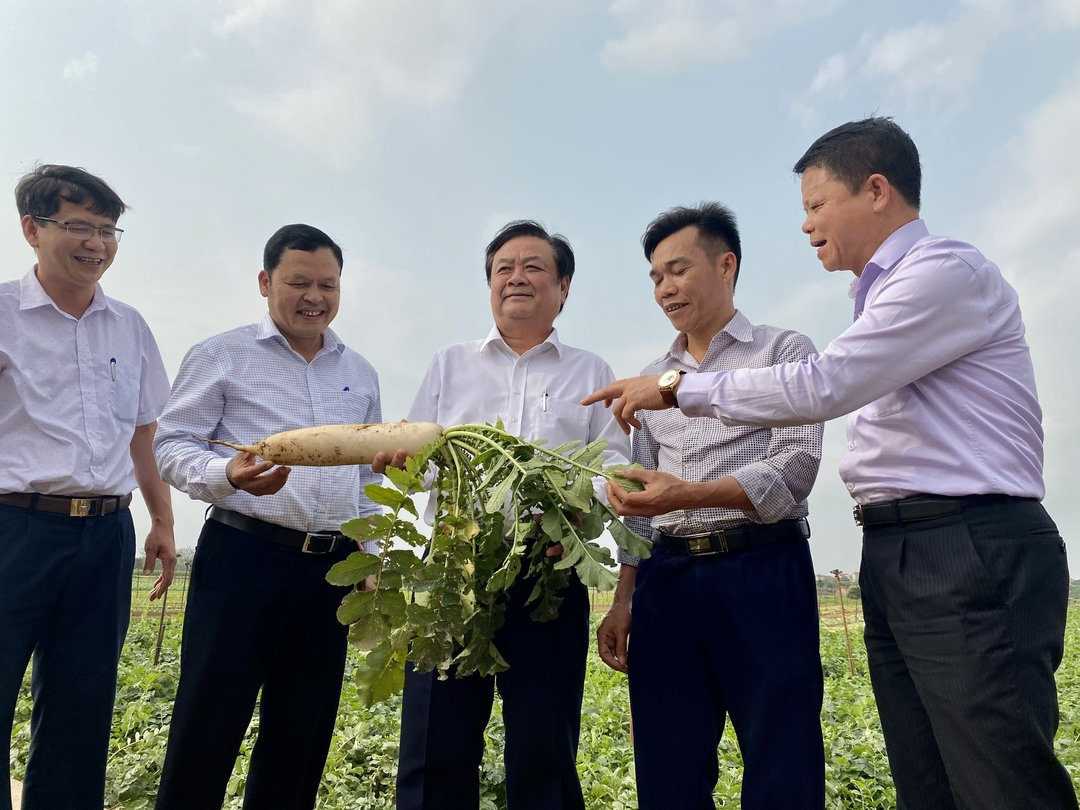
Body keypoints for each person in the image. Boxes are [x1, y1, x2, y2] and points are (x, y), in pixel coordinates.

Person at [585, 117, 1077, 810]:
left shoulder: (935, 276)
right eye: (655, 276)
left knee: (992, 775)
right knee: (926, 772)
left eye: (816, 206)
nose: (808, 225)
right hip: (885, 545)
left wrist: (679, 398)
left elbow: (818, 402)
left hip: (951, 543)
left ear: (875, 190)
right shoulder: (872, 300)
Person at [152, 224, 403, 810]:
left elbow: (367, 474)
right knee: (209, 720)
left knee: (302, 731)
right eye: (298, 282)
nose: (315, 296)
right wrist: (225, 475)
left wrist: (371, 551)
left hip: (330, 570)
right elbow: (172, 444)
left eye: (328, 285)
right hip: (244, 557)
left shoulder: (360, 371)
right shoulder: (221, 354)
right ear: (266, 283)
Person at [595, 202, 825, 810]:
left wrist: (688, 495)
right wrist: (625, 599)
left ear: (727, 265)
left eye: (677, 270)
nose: (664, 288)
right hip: (668, 579)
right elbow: (642, 505)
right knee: (668, 760)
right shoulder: (649, 378)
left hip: (762, 568)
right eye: (654, 277)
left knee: (783, 751)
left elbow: (795, 468)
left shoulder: (783, 350)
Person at [395, 220, 631, 810]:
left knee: (543, 749)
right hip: (451, 572)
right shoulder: (450, 364)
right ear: (490, 284)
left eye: (534, 267)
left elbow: (614, 468)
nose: (517, 278)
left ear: (564, 286)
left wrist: (579, 511)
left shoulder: (591, 372)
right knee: (435, 747)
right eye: (505, 268)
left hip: (547, 575)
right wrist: (397, 461)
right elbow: (416, 461)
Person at [0, 164, 175, 810]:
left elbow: (143, 433)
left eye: (107, 230)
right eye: (79, 226)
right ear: (31, 228)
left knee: (82, 709)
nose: (97, 243)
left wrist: (161, 520)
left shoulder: (128, 327)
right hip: (14, 527)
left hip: (105, 532)